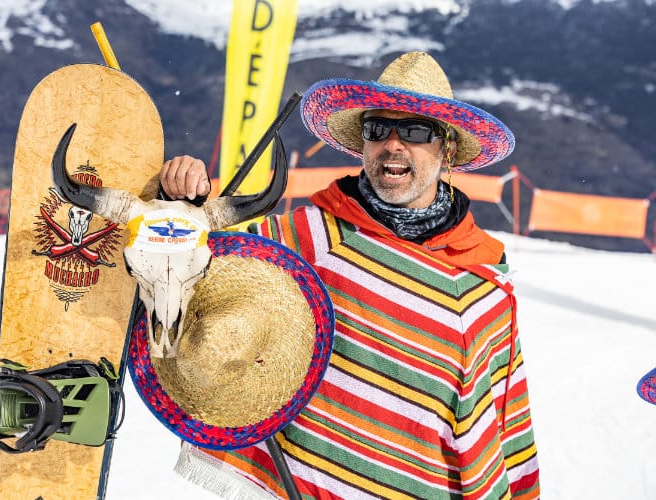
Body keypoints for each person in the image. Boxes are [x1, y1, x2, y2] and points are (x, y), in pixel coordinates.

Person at [159, 51, 540, 499]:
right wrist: (179, 205)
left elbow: (497, 431)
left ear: (448, 150)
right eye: (378, 129)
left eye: (415, 131)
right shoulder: (312, 239)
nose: (393, 144)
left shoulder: (481, 288)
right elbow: (196, 281)